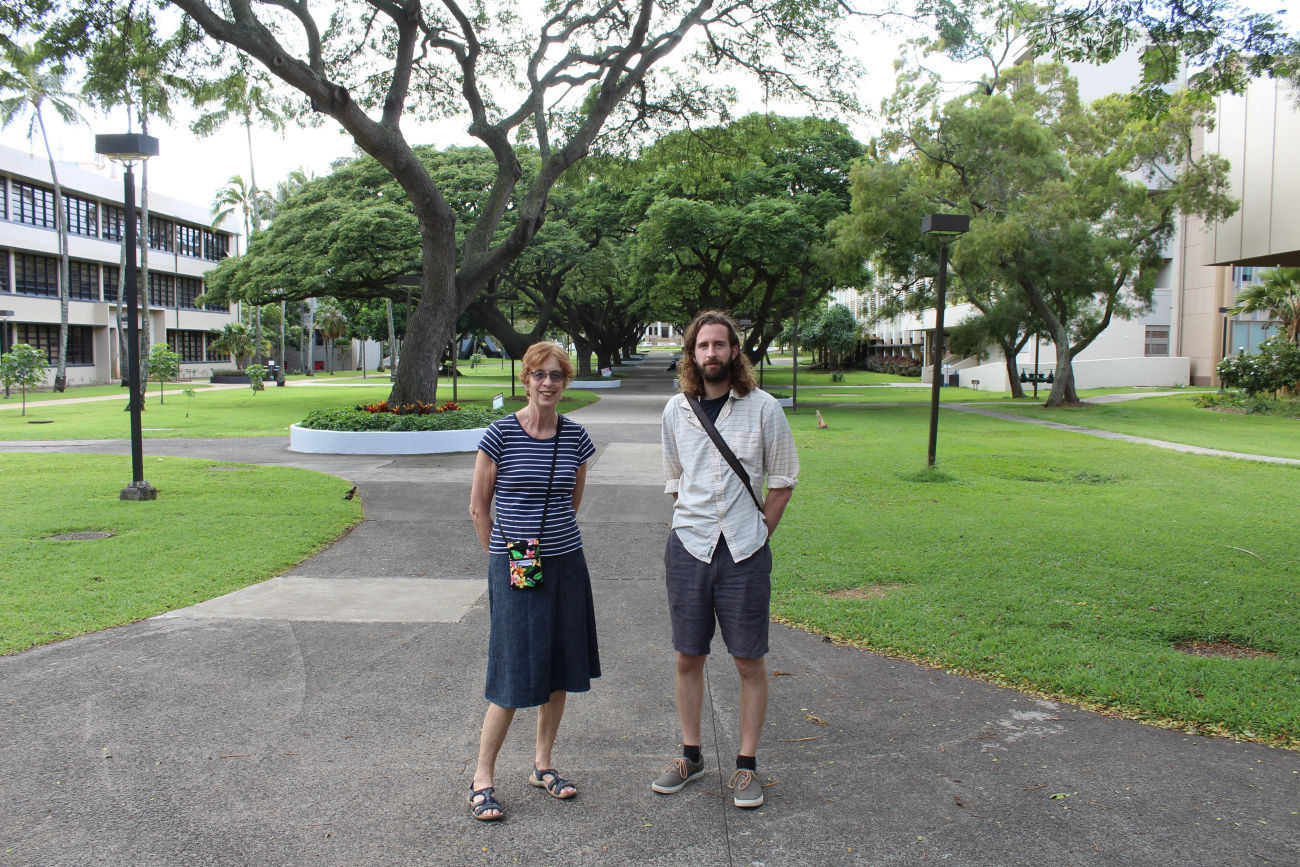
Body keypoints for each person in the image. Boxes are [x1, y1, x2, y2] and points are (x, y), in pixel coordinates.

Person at [653, 310, 799, 809]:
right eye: (702, 346)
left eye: (720, 345)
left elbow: (781, 482)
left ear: (735, 351)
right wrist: (696, 525)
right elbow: (675, 480)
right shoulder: (676, 410)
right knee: (687, 656)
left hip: (745, 552)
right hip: (689, 547)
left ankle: (745, 766)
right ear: (691, 354)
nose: (711, 353)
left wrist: (756, 532)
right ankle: (690, 756)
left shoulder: (763, 409)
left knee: (748, 660)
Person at [466, 341, 600, 821]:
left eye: (557, 376)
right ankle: (482, 777)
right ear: (525, 380)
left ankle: (542, 764)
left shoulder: (576, 438)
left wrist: (548, 546)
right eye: (539, 375)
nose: (548, 383)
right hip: (516, 562)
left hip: (565, 562)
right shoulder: (499, 434)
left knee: (560, 665)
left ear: (565, 383)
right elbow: (480, 508)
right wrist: (504, 559)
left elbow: (572, 501)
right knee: (514, 668)